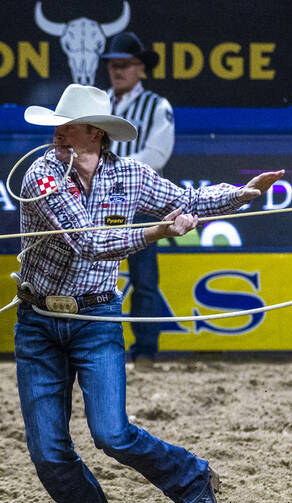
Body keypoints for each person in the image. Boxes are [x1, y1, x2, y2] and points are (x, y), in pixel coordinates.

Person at [16, 83, 284, 503]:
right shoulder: (42, 176)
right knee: (49, 453)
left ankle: (191, 480)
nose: (57, 132)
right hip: (38, 323)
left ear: (94, 133)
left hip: (94, 318)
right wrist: (158, 231)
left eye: (67, 125)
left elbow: (187, 200)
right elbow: (90, 243)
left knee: (111, 433)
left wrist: (242, 194)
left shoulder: (132, 177)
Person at [102, 32, 175, 369]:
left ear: (141, 69)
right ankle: (99, 346)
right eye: (113, 65)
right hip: (100, 204)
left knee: (144, 278)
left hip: (140, 203)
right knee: (96, 277)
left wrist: (112, 172)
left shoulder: (158, 106)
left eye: (125, 65)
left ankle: (145, 350)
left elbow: (157, 154)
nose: (118, 71)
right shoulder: (98, 103)